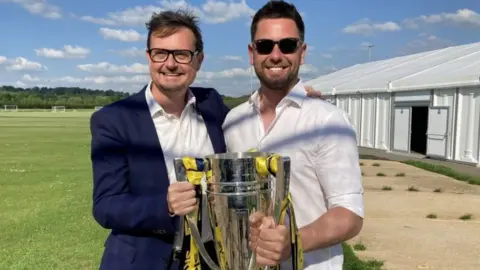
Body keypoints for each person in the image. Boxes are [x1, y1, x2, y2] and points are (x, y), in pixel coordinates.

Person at [90, 9, 324, 270]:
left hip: (210, 257)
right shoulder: (114, 120)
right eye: (160, 53)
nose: (170, 63)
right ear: (149, 57)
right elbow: (105, 206)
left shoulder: (211, 104)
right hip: (142, 261)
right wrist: (164, 205)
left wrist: (295, 97)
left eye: (182, 54)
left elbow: (254, 114)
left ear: (198, 60)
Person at [222, 1, 364, 269]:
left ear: (302, 52)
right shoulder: (233, 122)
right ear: (252, 53)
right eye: (265, 46)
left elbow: (350, 214)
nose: (276, 55)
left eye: (287, 45)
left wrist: (293, 242)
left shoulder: (327, 120)